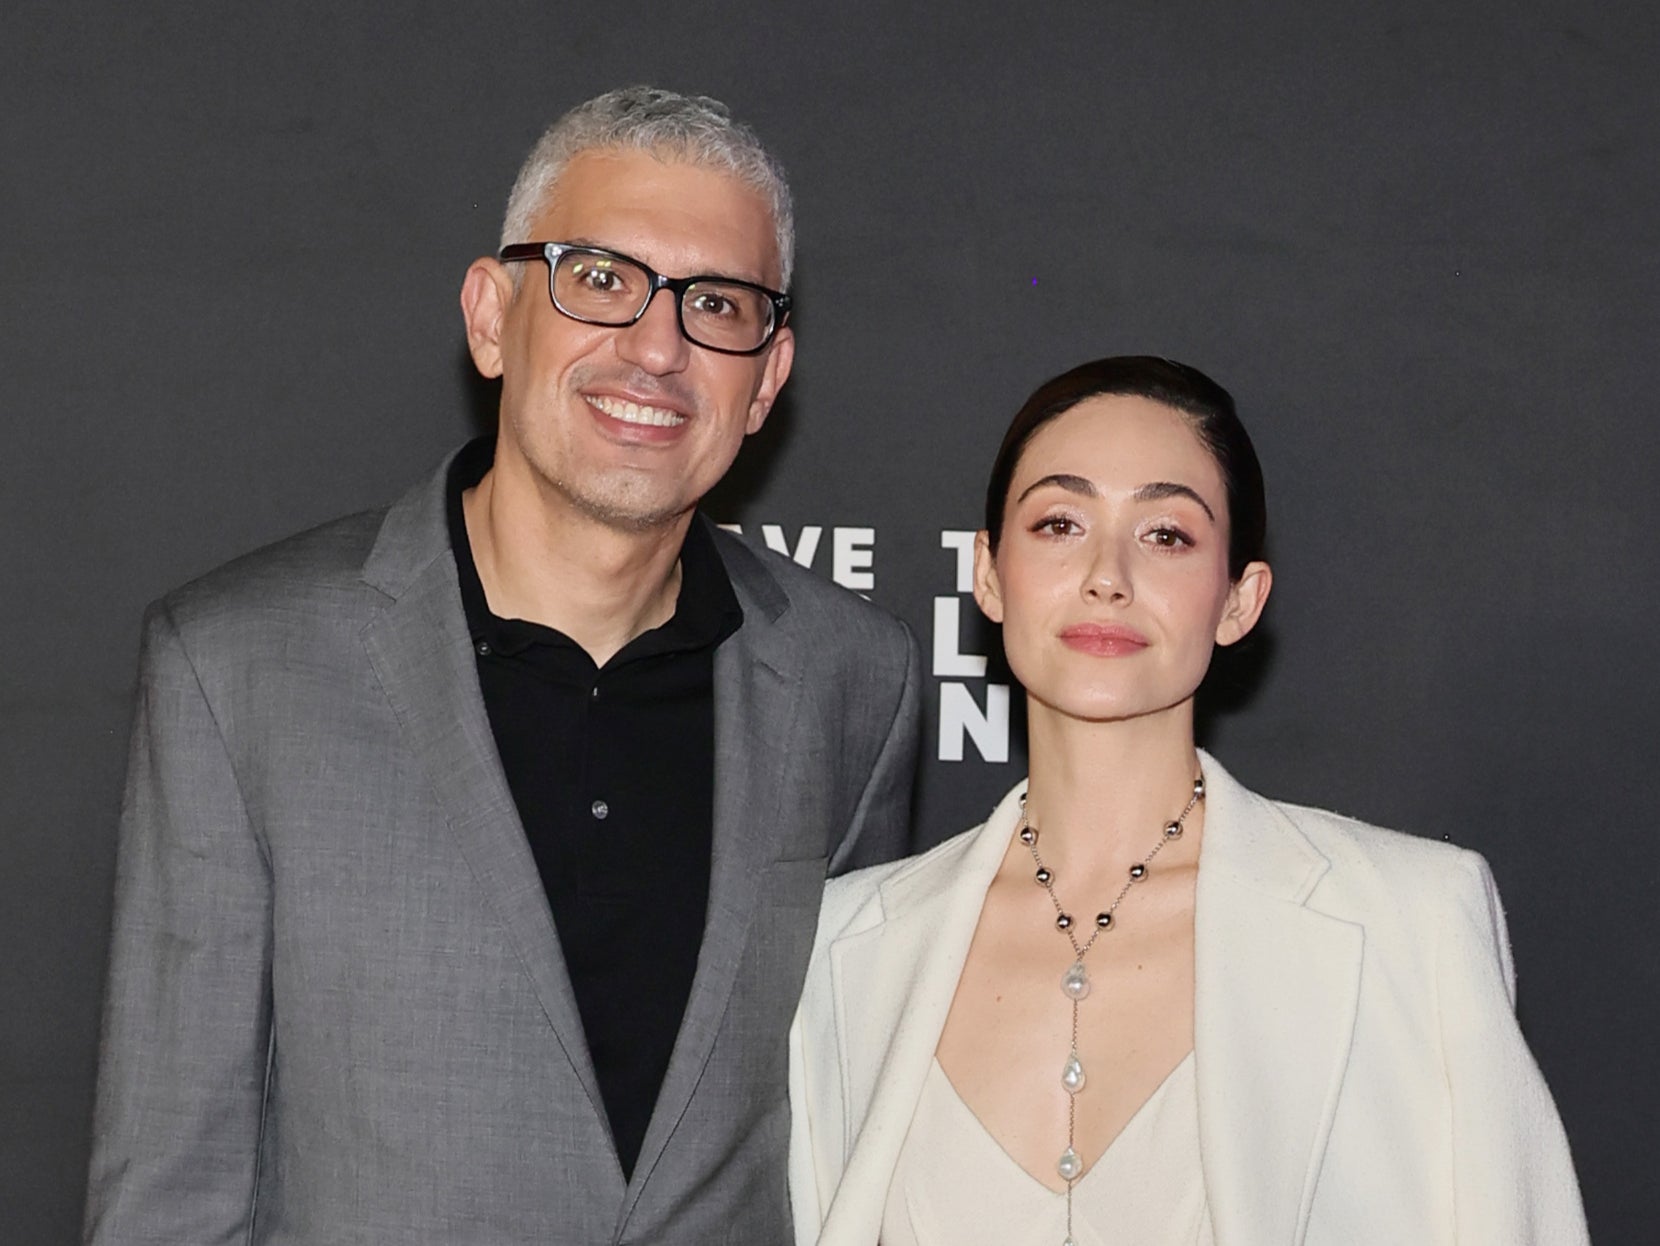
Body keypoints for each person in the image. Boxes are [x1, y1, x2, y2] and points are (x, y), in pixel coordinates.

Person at [84, 86, 921, 1245]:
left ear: (767, 377)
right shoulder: (237, 666)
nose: (657, 347)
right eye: (600, 278)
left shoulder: (852, 679)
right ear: (491, 315)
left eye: (716, 303)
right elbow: (170, 1189)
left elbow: (846, 1130)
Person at [788, 357, 1588, 1244]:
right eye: (1060, 522)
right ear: (988, 574)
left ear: (1239, 600)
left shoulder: (1414, 925)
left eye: (1166, 535)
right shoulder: (845, 949)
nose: (1107, 574)